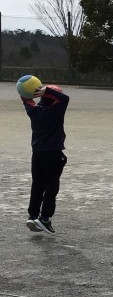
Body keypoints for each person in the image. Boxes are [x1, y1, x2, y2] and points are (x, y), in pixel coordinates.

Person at [21, 82, 69, 234]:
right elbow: (65, 98)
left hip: (37, 153)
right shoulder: (56, 111)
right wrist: (46, 90)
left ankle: (32, 215)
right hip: (53, 153)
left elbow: (25, 99)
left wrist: (29, 91)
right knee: (51, 186)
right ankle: (45, 218)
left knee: (37, 184)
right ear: (54, 98)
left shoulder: (34, 111)